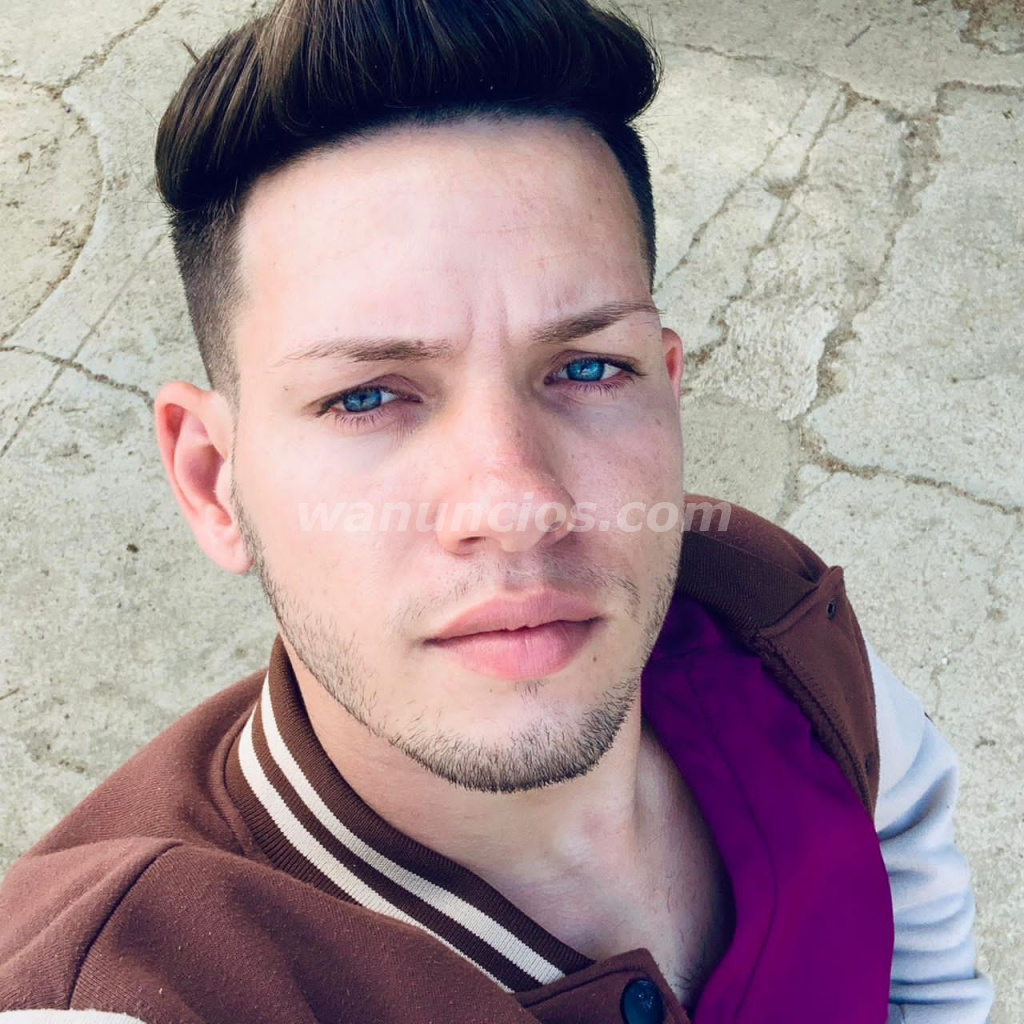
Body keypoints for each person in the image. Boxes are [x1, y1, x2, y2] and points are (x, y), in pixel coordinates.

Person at [0, 1, 995, 1022]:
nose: (517, 505)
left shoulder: (763, 612)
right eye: (367, 395)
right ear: (214, 479)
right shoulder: (134, 976)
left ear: (666, 388)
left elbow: (907, 873)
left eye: (588, 368)